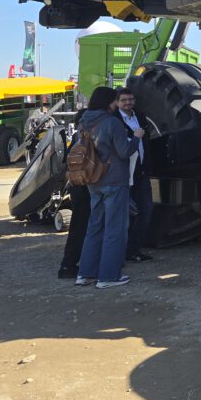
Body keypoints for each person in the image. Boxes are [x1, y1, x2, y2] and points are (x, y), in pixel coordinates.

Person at [75, 87, 143, 289]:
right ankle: (108, 276)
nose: (116, 104)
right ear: (108, 102)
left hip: (93, 180)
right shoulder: (112, 122)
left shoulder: (84, 122)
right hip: (114, 180)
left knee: (95, 226)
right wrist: (137, 137)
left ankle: (85, 273)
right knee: (115, 228)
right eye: (115, 100)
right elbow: (124, 152)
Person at [114, 87, 154, 263]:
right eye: (124, 100)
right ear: (117, 102)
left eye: (130, 99)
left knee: (145, 210)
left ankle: (134, 250)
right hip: (124, 175)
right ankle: (120, 252)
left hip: (141, 172)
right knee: (124, 215)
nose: (128, 103)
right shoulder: (114, 120)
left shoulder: (140, 116)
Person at [58, 109, 91, 279]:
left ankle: (70, 264)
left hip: (77, 185)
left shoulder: (78, 137)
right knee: (80, 227)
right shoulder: (84, 139)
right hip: (83, 187)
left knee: (79, 227)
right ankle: (69, 265)